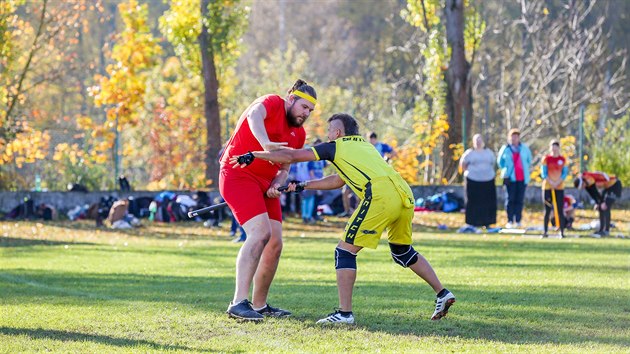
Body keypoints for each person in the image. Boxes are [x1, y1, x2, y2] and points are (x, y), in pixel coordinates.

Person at [230, 113, 455, 324]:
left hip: (380, 195)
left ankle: (344, 313)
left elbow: (291, 156)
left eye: (329, 130)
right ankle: (442, 293)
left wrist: (255, 154)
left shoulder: (335, 146)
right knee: (402, 251)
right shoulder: (365, 147)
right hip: (404, 194)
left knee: (344, 251)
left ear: (338, 133)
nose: (328, 134)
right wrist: (303, 185)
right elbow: (339, 180)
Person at [219, 79, 317, 321]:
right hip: (237, 174)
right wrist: (265, 144)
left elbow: (284, 167)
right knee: (260, 233)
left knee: (275, 243)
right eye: (304, 107)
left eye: (310, 111)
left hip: (265, 183)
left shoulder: (299, 134)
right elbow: (253, 115)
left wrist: (277, 183)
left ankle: (259, 305)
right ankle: (238, 303)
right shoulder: (271, 103)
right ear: (291, 99)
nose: (306, 114)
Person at [459, 134, 497, 228]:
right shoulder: (469, 153)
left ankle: (487, 222)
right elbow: (463, 165)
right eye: (476, 141)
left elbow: (493, 163)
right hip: (473, 180)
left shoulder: (489, 152)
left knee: (487, 202)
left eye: (480, 140)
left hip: (488, 180)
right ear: (473, 142)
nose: (478, 143)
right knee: (472, 202)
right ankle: (472, 222)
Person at [497, 128, 532, 228]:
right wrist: (506, 170)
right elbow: (500, 162)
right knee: (510, 199)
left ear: (519, 138)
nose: (514, 139)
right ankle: (510, 220)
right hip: (510, 178)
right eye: (512, 137)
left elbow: (529, 160)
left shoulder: (524, 148)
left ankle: (518, 220)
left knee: (519, 199)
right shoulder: (505, 149)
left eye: (516, 137)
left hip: (522, 177)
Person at [574, 171, 622, 237]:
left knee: (605, 206)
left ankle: (606, 230)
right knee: (600, 207)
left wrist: (601, 202)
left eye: (582, 186)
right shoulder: (585, 182)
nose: (583, 188)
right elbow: (592, 194)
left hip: (614, 185)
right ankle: (601, 230)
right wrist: (598, 203)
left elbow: (595, 192)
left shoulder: (588, 179)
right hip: (608, 188)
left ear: (583, 182)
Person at [540, 140, 568, 238]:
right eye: (552, 146)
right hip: (548, 187)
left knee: (560, 210)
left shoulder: (562, 160)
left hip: (559, 187)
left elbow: (564, 173)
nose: (554, 148)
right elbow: (543, 173)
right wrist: (550, 182)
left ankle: (562, 231)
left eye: (556, 146)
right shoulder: (546, 159)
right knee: (547, 210)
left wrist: (557, 182)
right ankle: (545, 231)